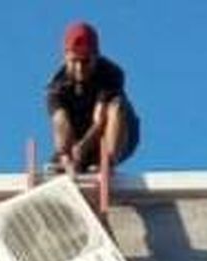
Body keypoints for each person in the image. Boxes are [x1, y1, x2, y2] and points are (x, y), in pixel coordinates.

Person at [46, 21, 140, 174]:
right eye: (74, 61)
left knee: (116, 106)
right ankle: (67, 158)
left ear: (96, 56)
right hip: (78, 135)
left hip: (115, 135)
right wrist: (66, 156)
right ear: (65, 57)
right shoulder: (56, 88)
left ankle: (108, 161)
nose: (79, 68)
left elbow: (100, 120)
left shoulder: (111, 74)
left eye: (85, 62)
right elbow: (60, 123)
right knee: (60, 121)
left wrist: (83, 146)